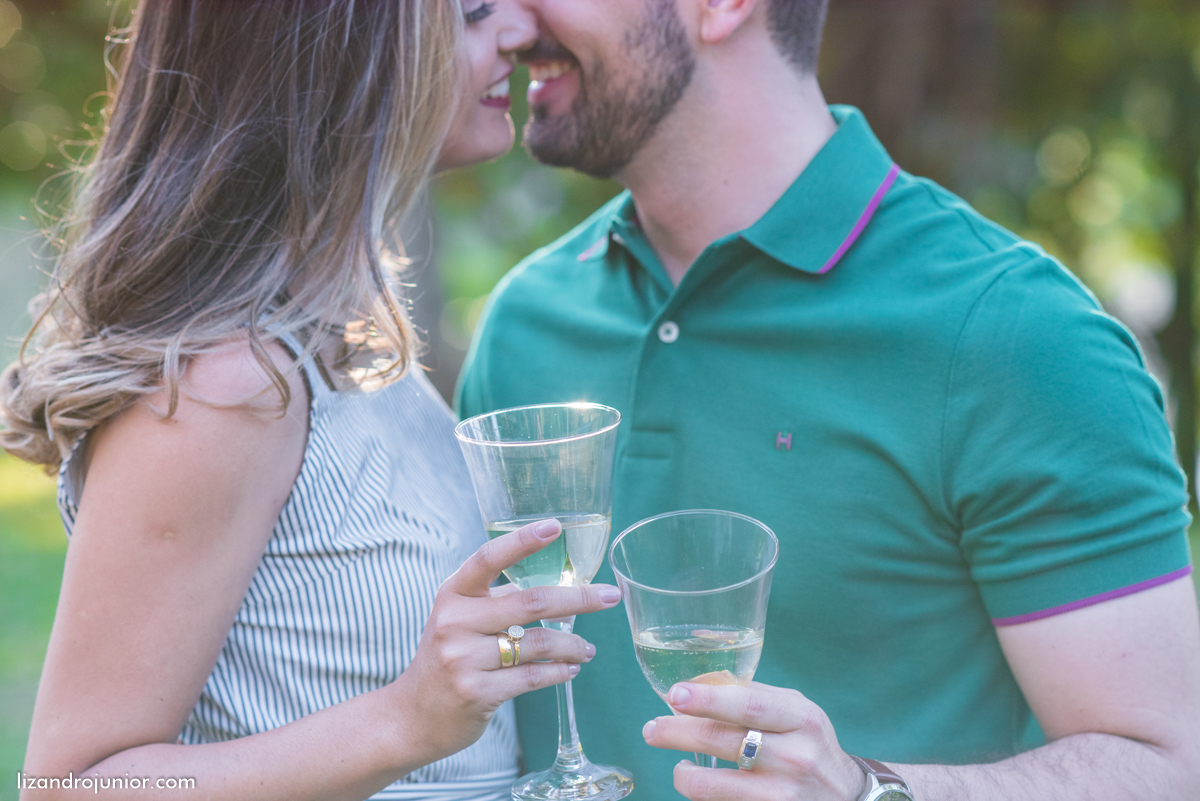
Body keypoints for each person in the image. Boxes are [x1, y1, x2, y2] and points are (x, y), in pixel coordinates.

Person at [456, 0, 1200, 799]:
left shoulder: (1018, 335)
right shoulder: (523, 326)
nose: (507, 15)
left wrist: (867, 790)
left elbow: (1171, 765)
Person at [1, 2, 624, 800]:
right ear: (344, 51)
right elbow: (70, 784)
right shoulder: (223, 385)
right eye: (468, 12)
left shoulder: (346, 339)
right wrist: (405, 720)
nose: (518, 30)